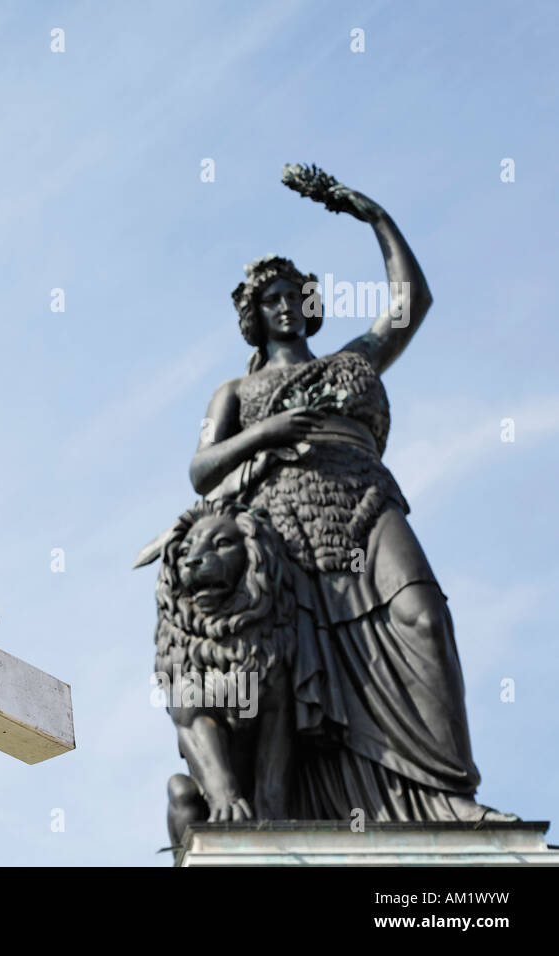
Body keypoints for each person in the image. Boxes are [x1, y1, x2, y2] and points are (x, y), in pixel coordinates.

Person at [189, 181, 513, 822]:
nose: (284, 306)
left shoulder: (353, 361)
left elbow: (410, 303)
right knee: (303, 671)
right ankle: (335, 806)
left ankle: (448, 796)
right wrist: (267, 434)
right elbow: (201, 470)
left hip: (366, 501)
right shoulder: (236, 390)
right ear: (255, 314)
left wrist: (373, 215)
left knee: (423, 616)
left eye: (293, 295)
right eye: (270, 299)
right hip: (282, 522)